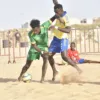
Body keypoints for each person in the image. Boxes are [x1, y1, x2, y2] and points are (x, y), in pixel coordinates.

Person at [48, 0, 82, 81]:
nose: (55, 14)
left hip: (63, 38)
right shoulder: (58, 10)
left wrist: (55, 27)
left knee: (64, 57)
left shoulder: (65, 18)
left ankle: (78, 69)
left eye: (56, 12)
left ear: (60, 10)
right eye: (54, 12)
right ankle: (55, 71)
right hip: (56, 38)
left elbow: (68, 30)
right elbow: (56, 3)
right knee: (49, 56)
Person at [18, 15, 58, 83]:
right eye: (33, 30)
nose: (35, 31)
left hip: (44, 46)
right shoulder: (31, 33)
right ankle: (20, 76)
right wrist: (41, 52)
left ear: (39, 27)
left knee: (46, 58)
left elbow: (52, 18)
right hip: (35, 47)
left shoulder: (44, 26)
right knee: (27, 64)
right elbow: (34, 45)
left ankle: (42, 79)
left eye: (36, 30)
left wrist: (57, 14)